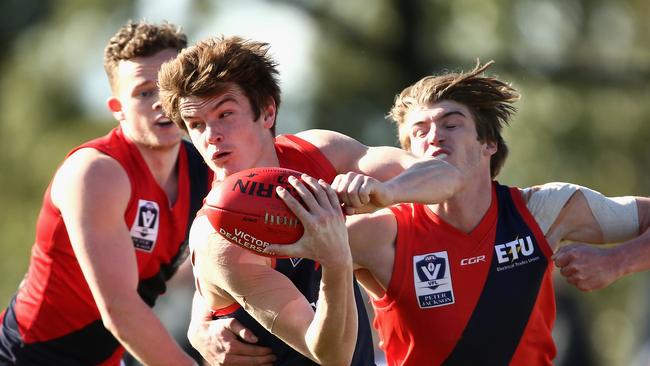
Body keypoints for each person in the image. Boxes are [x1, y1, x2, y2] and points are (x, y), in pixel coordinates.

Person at [157, 35, 463, 365]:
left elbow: (448, 178)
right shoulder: (220, 238)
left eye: (225, 114)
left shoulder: (317, 154)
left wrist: (389, 191)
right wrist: (334, 258)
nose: (211, 135)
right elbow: (331, 356)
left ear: (268, 112)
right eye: (196, 124)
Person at [338, 61, 650, 365]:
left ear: (488, 143)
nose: (434, 136)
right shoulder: (381, 234)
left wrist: (616, 262)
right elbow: (291, 259)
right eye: (419, 131)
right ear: (406, 155)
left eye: (451, 124)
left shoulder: (541, 211)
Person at [0, 21, 212, 365]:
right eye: (144, 92)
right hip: (31, 357)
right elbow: (120, 308)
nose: (162, 102)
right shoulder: (96, 173)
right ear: (117, 109)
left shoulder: (207, 167)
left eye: (171, 86)